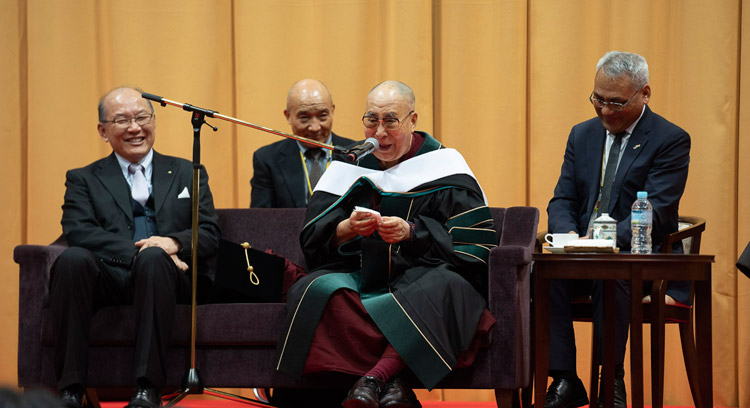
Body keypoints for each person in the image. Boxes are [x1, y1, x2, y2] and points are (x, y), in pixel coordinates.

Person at [274, 81, 497, 408]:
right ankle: (395, 388)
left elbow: (472, 248)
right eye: (371, 120)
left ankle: (372, 380)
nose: (379, 132)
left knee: (449, 288)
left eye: (390, 121)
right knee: (315, 290)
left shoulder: (444, 166)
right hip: (361, 274)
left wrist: (412, 232)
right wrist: (347, 229)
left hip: (424, 275)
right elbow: (313, 241)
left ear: (413, 120)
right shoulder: (352, 164)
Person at [50, 87, 220, 408]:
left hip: (170, 277)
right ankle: (70, 391)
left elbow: (209, 233)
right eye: (122, 120)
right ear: (103, 131)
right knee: (71, 260)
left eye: (142, 117)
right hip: (111, 275)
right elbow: (78, 231)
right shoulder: (83, 178)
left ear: (154, 121)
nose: (135, 127)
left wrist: (173, 243)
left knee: (156, 259)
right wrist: (139, 252)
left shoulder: (187, 171)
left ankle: (147, 389)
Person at [545, 51, 691, 408]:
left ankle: (610, 380)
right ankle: (564, 380)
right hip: (581, 253)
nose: (606, 111)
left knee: (608, 274)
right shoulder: (582, 135)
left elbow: (654, 211)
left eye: (616, 102)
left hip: (639, 258)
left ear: (645, 93)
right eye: (598, 99)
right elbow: (562, 199)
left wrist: (601, 244)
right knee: (539, 272)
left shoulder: (670, 139)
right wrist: (568, 240)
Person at [250, 79, 355, 208]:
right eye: (304, 117)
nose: (315, 127)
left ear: (332, 111)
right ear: (288, 116)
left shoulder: (355, 153)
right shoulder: (267, 159)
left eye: (322, 116)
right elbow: (260, 218)